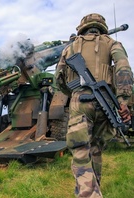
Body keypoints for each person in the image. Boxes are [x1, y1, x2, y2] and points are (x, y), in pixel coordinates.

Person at [55, 13, 133, 197]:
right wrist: (122, 101)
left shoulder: (70, 47)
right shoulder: (112, 43)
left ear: (82, 27)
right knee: (96, 150)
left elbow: (58, 78)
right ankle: (92, 188)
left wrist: (73, 93)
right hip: (105, 101)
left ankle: (89, 193)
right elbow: (124, 69)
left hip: (80, 103)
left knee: (81, 153)